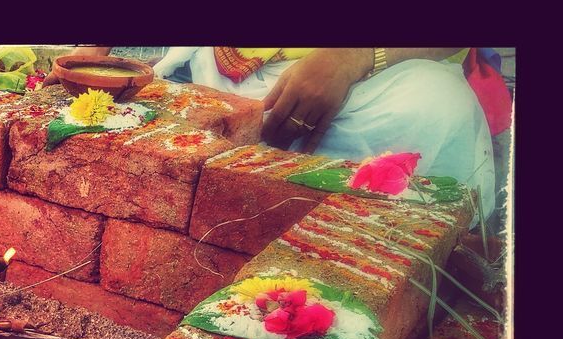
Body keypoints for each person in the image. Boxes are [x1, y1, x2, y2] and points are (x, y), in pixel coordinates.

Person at [55, 47, 496, 219]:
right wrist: (98, 50)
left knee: (441, 107)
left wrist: (352, 58)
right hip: (222, 60)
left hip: (381, 76)